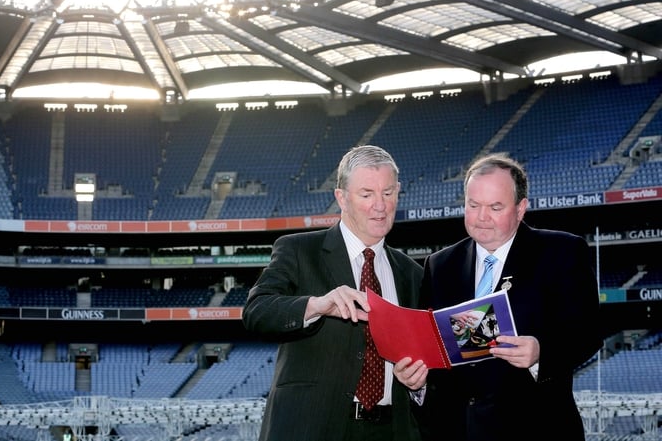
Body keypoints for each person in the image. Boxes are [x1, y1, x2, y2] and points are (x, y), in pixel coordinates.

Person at [394, 153, 602, 441]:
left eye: (495, 207)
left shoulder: (561, 252)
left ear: (520, 208)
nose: (481, 217)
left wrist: (541, 351)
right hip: (456, 432)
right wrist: (417, 382)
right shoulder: (440, 265)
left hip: (536, 429)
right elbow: (433, 348)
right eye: (473, 205)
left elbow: (588, 333)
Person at [242, 144, 424, 441]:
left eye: (388, 193)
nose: (380, 205)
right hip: (311, 427)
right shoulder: (299, 250)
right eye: (367, 194)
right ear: (342, 197)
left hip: (393, 429)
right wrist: (317, 305)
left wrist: (419, 382)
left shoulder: (413, 274)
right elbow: (256, 311)